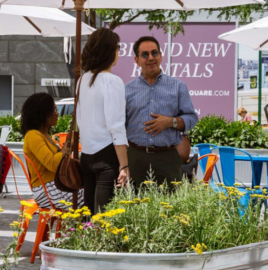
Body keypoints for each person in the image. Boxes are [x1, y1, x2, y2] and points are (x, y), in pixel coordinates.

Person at [124, 35, 199, 188]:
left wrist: (170, 122)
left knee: (171, 208)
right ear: (137, 60)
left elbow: (192, 118)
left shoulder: (178, 86)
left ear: (161, 56)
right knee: (134, 208)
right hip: (135, 158)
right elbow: (119, 125)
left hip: (168, 158)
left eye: (154, 53)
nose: (151, 57)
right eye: (145, 55)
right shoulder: (126, 90)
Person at [75, 28, 129, 214]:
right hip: (107, 156)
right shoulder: (112, 81)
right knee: (106, 218)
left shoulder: (82, 80)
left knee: (89, 216)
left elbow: (80, 120)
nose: (118, 53)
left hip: (87, 155)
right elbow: (116, 127)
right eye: (117, 48)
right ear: (110, 51)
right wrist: (124, 165)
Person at [20, 92, 84, 209]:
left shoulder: (45, 134)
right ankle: (85, 226)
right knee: (91, 196)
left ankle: (84, 225)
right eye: (53, 110)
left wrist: (67, 148)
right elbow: (52, 164)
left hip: (56, 186)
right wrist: (64, 150)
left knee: (92, 191)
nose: (57, 113)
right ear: (42, 113)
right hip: (47, 191)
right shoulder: (33, 136)